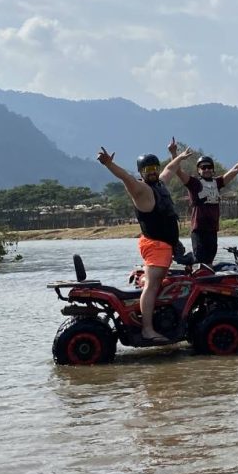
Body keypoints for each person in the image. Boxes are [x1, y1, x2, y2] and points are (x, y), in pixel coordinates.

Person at [97, 146, 192, 343]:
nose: (153, 172)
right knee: (152, 285)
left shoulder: (160, 184)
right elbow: (125, 177)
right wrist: (109, 164)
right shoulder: (140, 189)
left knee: (160, 282)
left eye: (154, 168)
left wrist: (179, 157)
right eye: (147, 170)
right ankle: (147, 330)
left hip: (165, 244)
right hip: (155, 245)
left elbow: (169, 170)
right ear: (141, 173)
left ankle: (162, 318)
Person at [169, 138, 238, 265]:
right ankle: (184, 258)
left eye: (209, 167)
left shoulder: (217, 182)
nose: (207, 169)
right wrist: (173, 153)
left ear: (213, 169)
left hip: (212, 230)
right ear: (199, 170)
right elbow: (177, 171)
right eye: (203, 167)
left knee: (209, 261)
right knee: (199, 260)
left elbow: (236, 169)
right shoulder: (194, 184)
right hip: (199, 230)